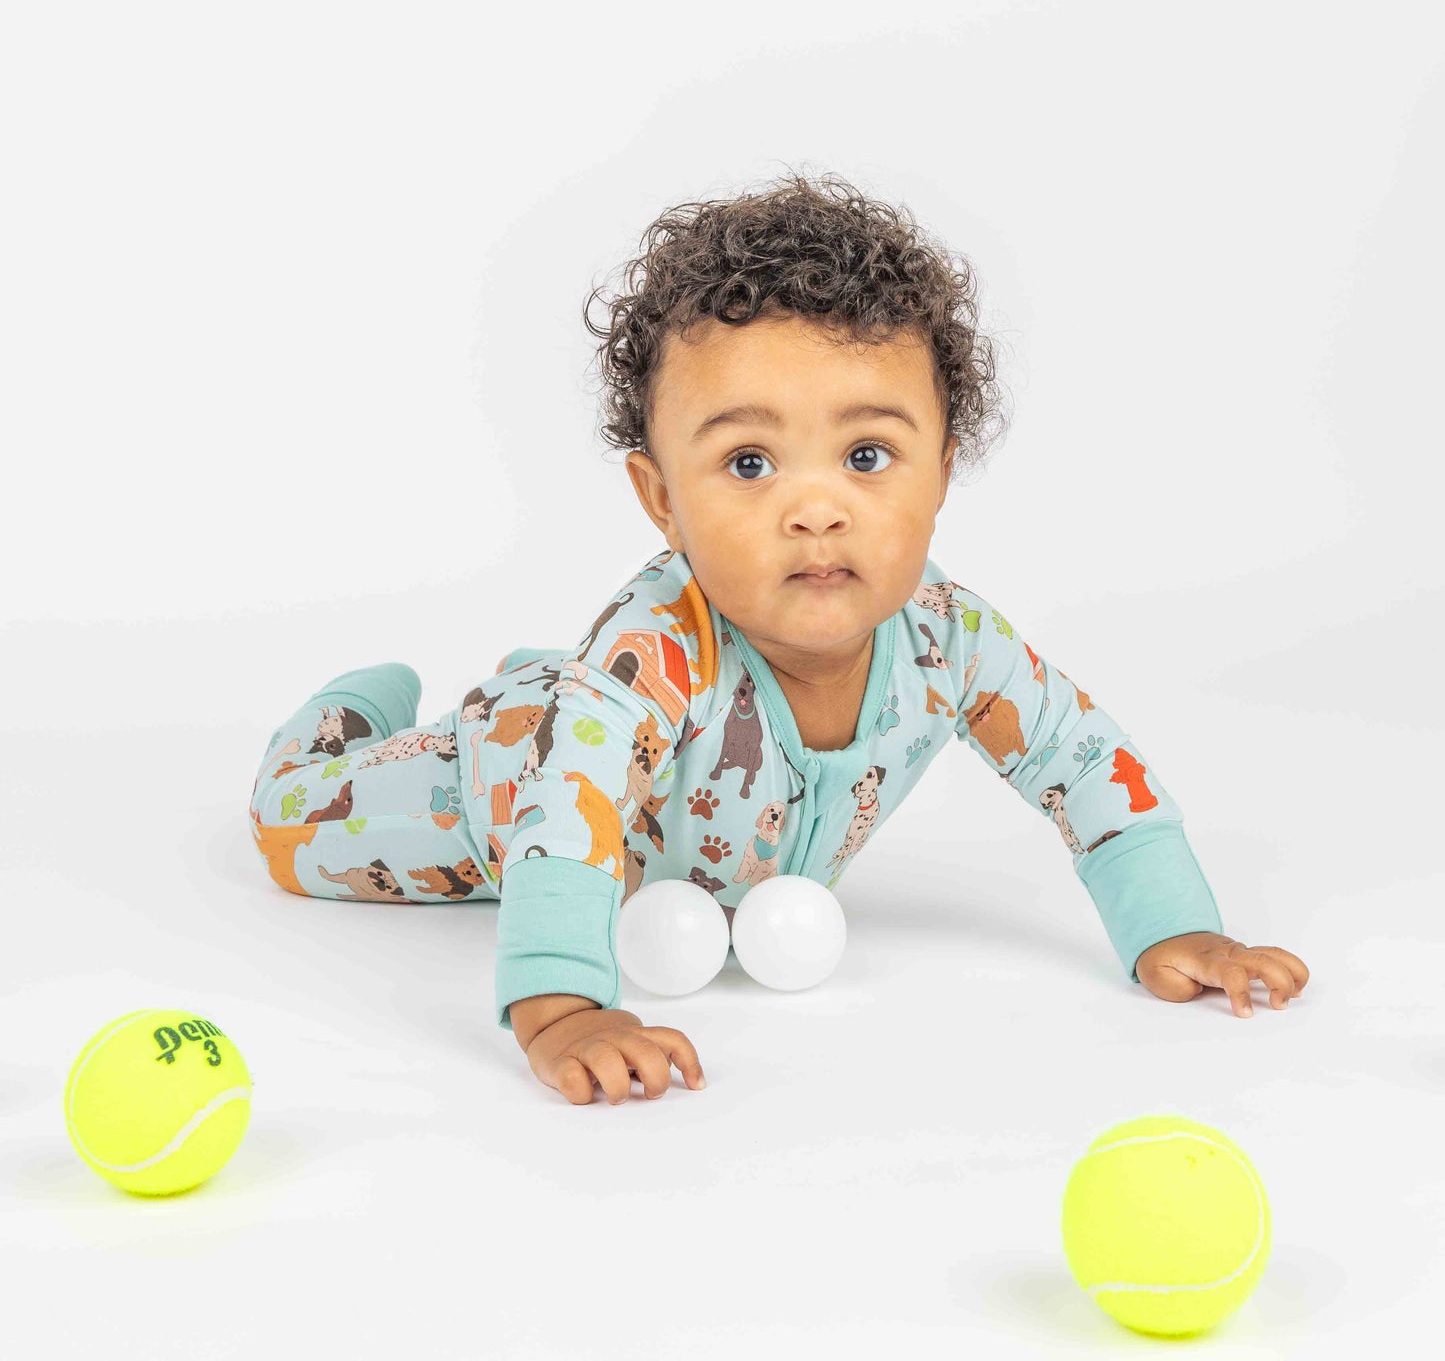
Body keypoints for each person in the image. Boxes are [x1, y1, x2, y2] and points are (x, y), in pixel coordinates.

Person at [248, 170, 1311, 1106]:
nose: (815, 509)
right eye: (749, 463)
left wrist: (1172, 927)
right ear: (661, 499)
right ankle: (350, 713)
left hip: (611, 756)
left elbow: (1083, 763)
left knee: (584, 714)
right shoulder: (657, 648)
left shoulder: (948, 643)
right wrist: (564, 1007)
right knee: (291, 830)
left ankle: (533, 684)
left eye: (865, 455)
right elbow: (565, 820)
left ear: (940, 470)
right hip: (505, 781)